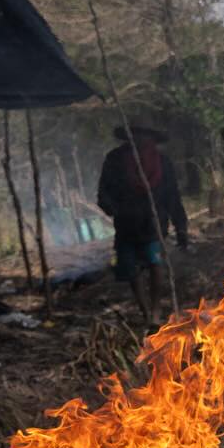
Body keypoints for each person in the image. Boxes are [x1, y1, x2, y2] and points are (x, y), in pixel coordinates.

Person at [97, 125, 188, 325]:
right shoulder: (116, 159)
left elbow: (172, 196)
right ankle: (144, 310)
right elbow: (104, 191)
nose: (141, 139)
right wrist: (115, 208)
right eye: (137, 134)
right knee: (132, 270)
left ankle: (155, 313)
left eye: (146, 135)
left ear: (153, 138)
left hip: (154, 223)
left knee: (155, 264)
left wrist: (181, 227)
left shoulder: (162, 162)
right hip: (126, 224)